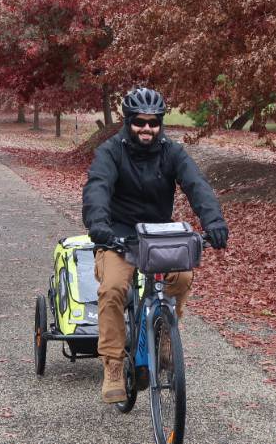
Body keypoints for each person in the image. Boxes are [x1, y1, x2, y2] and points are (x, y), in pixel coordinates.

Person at [82, 86, 229, 404]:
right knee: (112, 290)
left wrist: (214, 222)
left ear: (160, 123)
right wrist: (99, 225)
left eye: (153, 122)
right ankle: (113, 365)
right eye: (139, 122)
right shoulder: (111, 152)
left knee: (183, 277)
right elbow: (98, 187)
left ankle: (164, 332)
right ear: (128, 121)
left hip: (159, 235)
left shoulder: (172, 152)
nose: (146, 128)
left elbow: (196, 185)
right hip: (118, 236)